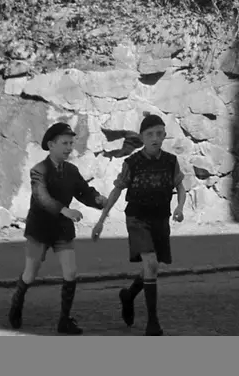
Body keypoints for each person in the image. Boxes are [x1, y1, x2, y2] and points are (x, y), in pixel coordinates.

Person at [92, 113, 187, 336]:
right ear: (142, 137)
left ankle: (129, 295)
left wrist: (180, 207)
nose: (155, 138)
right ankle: (153, 323)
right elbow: (117, 191)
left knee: (151, 267)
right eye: (149, 134)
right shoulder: (132, 163)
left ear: (164, 135)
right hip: (137, 219)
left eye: (159, 133)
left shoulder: (171, 161)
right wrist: (101, 221)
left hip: (161, 218)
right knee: (151, 264)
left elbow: (180, 187)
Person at [8, 121, 107, 334]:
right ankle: (17, 302)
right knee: (30, 274)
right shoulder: (39, 170)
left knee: (71, 272)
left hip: (62, 229)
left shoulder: (71, 170)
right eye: (64, 143)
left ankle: (64, 320)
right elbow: (42, 198)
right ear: (51, 145)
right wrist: (65, 211)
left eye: (71, 143)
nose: (69, 147)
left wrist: (98, 200)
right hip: (40, 229)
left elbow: (83, 192)